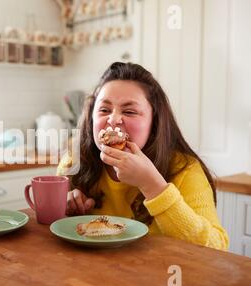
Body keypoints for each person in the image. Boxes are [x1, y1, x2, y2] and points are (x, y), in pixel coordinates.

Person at [58, 62, 229, 250]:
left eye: (129, 111)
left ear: (154, 122)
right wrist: (63, 208)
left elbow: (217, 250)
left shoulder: (185, 169)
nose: (113, 119)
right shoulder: (74, 163)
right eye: (104, 110)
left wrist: (153, 186)